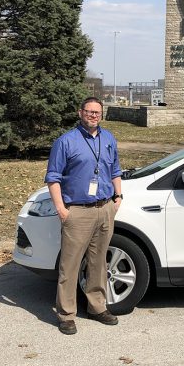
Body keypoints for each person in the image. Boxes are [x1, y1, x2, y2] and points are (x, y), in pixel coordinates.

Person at [45, 97, 123, 335]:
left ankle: (97, 307)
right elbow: (53, 177)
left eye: (97, 112)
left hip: (104, 208)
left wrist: (118, 197)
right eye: (89, 112)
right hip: (77, 211)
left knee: (99, 263)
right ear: (80, 113)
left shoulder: (108, 138)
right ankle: (67, 314)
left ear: (102, 114)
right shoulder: (65, 142)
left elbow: (115, 169)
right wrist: (62, 209)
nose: (93, 116)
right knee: (70, 265)